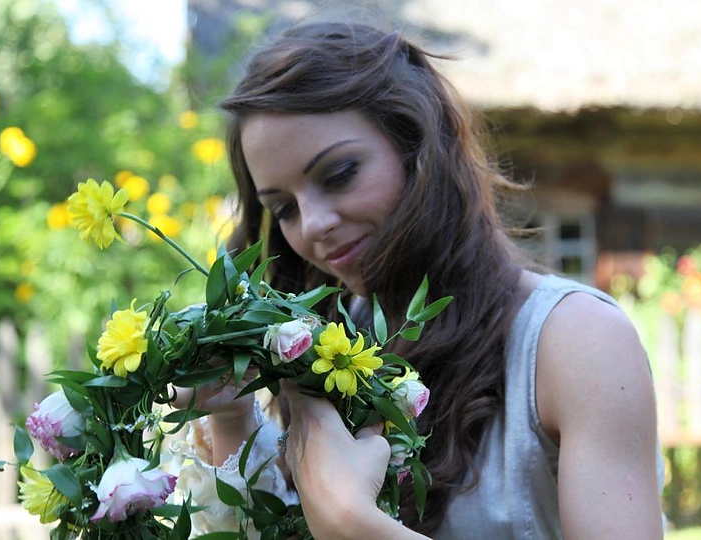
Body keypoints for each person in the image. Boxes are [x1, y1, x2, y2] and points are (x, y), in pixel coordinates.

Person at [170, 21, 665, 539]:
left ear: (422, 149)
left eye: (339, 174)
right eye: (284, 208)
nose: (312, 225)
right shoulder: (330, 348)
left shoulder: (577, 341)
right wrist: (231, 419)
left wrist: (352, 524)